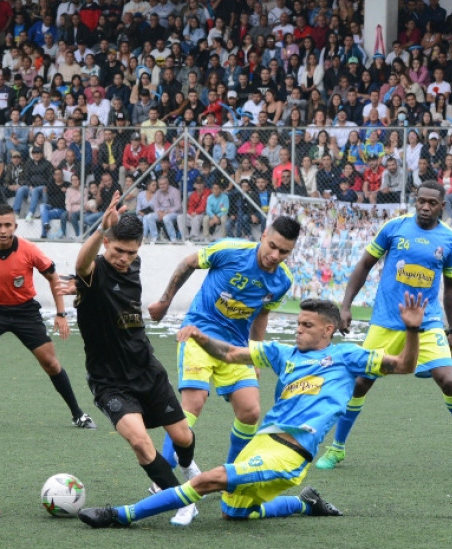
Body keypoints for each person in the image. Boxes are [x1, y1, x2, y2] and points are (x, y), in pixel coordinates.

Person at [77, 293, 428, 528]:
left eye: (307, 325)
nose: (299, 329)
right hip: (262, 441)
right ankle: (306, 504)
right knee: (235, 512)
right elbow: (230, 354)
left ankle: (120, 515)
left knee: (208, 479)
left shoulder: (348, 356)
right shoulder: (283, 353)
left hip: (291, 452)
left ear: (328, 329)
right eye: (298, 323)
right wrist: (201, 338)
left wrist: (412, 329)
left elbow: (404, 364)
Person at [314, 181, 452, 475]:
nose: (425, 207)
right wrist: (345, 306)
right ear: (415, 201)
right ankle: (337, 448)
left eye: (431, 203)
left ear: (442, 206)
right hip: (386, 320)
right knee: (361, 383)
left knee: (447, 380)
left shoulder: (449, 241)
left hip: (428, 321)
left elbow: (451, 286)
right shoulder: (394, 228)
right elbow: (364, 265)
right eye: (420, 201)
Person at [147, 216, 301, 525]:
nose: (275, 256)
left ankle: (229, 477)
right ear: (264, 235)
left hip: (234, 348)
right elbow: (189, 263)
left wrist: (255, 355)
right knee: (194, 402)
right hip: (198, 334)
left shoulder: (282, 279)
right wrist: (165, 301)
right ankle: (163, 478)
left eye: (284, 251)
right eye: (272, 246)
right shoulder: (230, 251)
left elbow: (261, 317)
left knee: (250, 412)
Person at [68, 191, 198, 526]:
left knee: (183, 437)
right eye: (117, 251)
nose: (124, 258)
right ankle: (182, 501)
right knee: (141, 442)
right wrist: (100, 229)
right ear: (106, 243)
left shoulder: (133, 263)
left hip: (147, 370)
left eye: (131, 252)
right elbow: (81, 265)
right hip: (110, 381)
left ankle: (187, 467)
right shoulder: (94, 269)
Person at [0, 203, 96, 429]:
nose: (3, 230)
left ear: (15, 226)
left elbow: (53, 278)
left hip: (25, 312)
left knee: (51, 363)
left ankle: (78, 414)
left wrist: (61, 313)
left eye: (8, 225)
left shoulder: (29, 249)